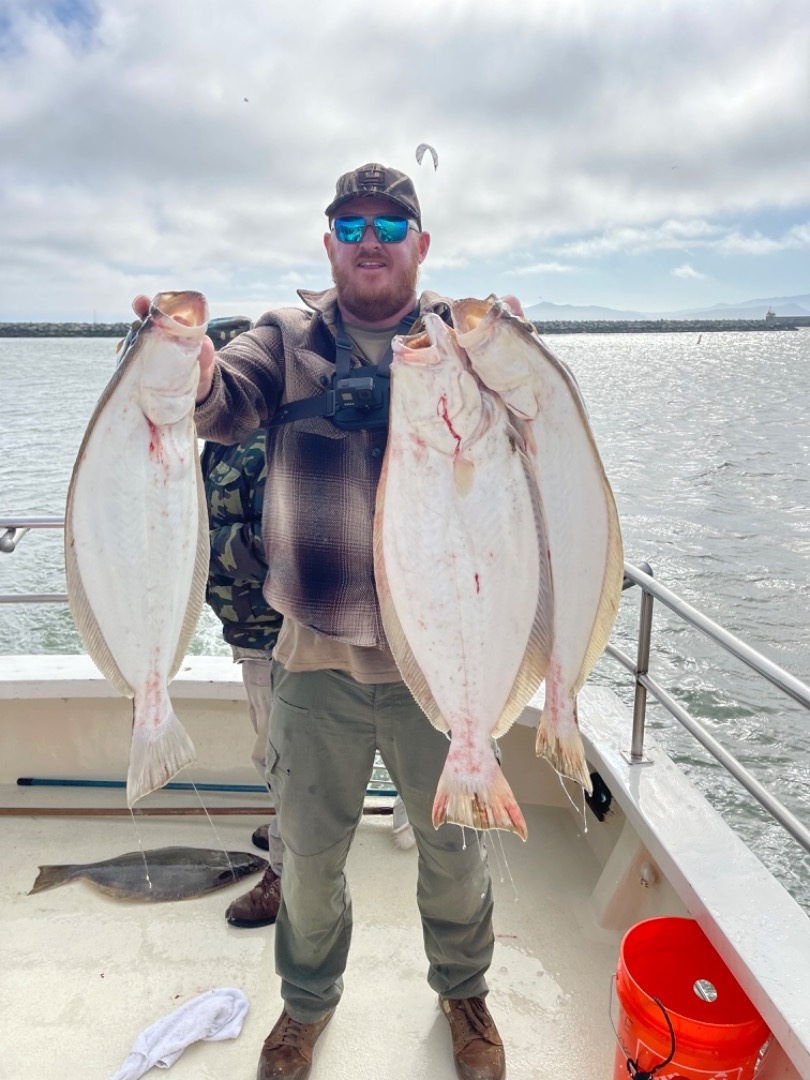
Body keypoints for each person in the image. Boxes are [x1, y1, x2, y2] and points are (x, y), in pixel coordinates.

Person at [134, 162, 505, 1080]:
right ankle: (305, 1009)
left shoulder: (468, 344)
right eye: (350, 227)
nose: (369, 241)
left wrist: (520, 356)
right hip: (314, 657)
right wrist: (182, 360)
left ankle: (465, 994)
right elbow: (222, 408)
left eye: (389, 225)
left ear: (422, 244)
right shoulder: (288, 338)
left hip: (442, 665)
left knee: (455, 856)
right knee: (306, 862)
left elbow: (539, 430)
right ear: (329, 244)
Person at [201, 426, 285, 928]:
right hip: (249, 631)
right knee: (273, 749)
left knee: (281, 760)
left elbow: (281, 537)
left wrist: (191, 547)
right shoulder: (221, 441)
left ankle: (284, 872)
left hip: (281, 633)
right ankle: (286, 828)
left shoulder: (274, 438)